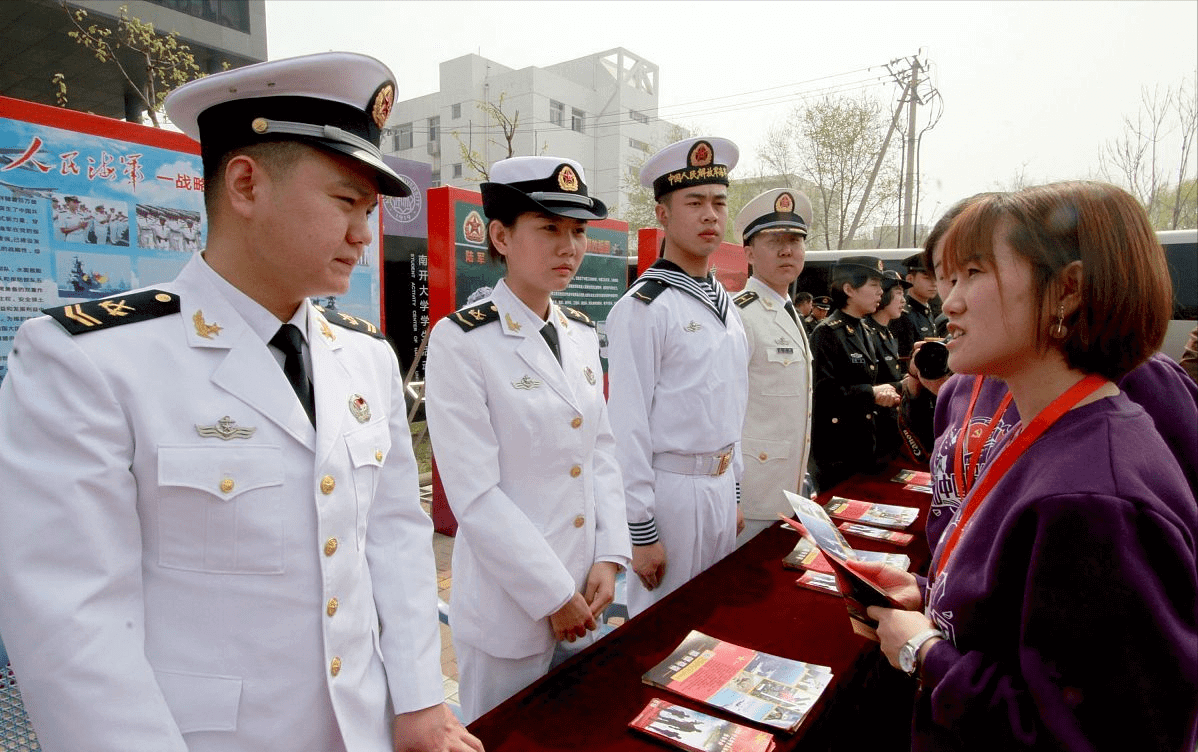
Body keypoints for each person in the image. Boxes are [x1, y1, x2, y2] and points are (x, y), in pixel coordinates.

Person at [0, 52, 480, 752]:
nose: (363, 234)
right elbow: (71, 625)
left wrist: (419, 703)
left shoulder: (366, 357)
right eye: (345, 202)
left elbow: (395, 539)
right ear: (247, 184)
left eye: (371, 211)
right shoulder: (91, 361)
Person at [856, 182, 1197, 751]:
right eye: (950, 277)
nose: (949, 302)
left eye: (974, 273)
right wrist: (928, 593)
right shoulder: (1060, 437)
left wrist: (925, 653)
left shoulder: (1095, 496)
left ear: (1068, 290)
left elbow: (1097, 735)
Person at [423, 156, 630, 722]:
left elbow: (602, 452)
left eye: (578, 231)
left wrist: (610, 557)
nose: (569, 247)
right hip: (511, 606)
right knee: (505, 733)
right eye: (549, 228)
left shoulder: (582, 334)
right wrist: (552, 596)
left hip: (587, 590)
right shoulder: (462, 341)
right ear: (501, 235)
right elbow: (475, 493)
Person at [605, 136, 748, 616]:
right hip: (672, 494)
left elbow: (733, 406)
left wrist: (735, 493)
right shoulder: (644, 308)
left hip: (719, 486)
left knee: (715, 619)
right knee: (664, 630)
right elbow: (626, 425)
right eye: (694, 202)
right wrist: (640, 529)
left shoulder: (726, 304)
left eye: (719, 202)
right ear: (662, 216)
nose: (711, 215)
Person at [731, 188, 814, 545]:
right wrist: (731, 496)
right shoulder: (740, 314)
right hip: (751, 495)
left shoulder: (788, 310)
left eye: (795, 240)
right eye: (774, 240)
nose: (787, 250)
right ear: (748, 253)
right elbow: (724, 412)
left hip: (789, 490)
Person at [808, 255, 900, 492]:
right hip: (837, 451)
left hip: (864, 446)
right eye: (873, 285)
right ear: (849, 289)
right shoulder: (827, 333)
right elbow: (824, 394)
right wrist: (871, 393)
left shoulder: (865, 329)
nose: (881, 292)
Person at [863, 269, 911, 466]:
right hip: (872, 430)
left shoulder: (887, 333)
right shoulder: (866, 333)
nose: (903, 300)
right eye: (898, 293)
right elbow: (869, 385)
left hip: (890, 427)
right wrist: (904, 384)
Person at [888, 252, 939, 364]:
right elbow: (902, 358)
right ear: (910, 279)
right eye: (927, 278)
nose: (934, 283)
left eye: (936, 278)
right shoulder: (902, 314)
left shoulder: (925, 309)